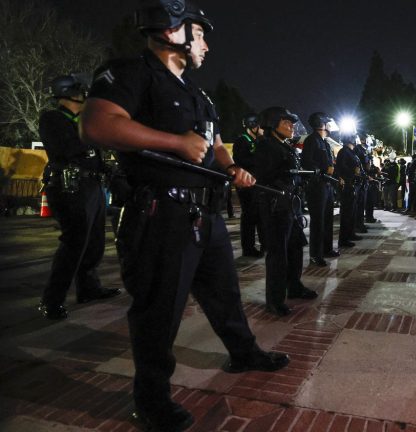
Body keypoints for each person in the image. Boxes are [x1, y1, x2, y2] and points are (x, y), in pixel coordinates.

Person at [80, 3, 289, 430]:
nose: (207, 46)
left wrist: (231, 168)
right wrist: (174, 142)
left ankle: (244, 352)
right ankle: (152, 398)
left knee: (224, 293)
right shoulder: (130, 73)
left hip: (203, 213)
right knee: (159, 309)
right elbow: (97, 125)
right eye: (201, 34)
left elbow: (212, 146)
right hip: (160, 214)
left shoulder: (197, 92)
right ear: (173, 32)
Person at [38, 74, 120, 320]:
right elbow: (67, 148)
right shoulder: (53, 119)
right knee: (74, 242)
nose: (85, 95)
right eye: (81, 91)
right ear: (69, 94)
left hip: (91, 184)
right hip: (68, 186)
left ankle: (88, 287)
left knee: (94, 241)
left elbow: (94, 152)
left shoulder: (84, 120)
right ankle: (52, 300)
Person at [253, 107, 317, 316]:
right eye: (286, 122)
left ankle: (294, 286)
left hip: (290, 203)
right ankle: (275, 299)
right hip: (275, 205)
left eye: (291, 123)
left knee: (295, 247)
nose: (291, 127)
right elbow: (264, 175)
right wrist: (287, 176)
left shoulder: (284, 146)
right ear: (273, 124)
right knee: (278, 253)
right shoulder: (266, 146)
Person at [302, 112, 339, 267]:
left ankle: (327, 248)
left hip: (327, 185)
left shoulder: (324, 142)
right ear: (321, 124)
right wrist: (323, 168)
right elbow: (306, 161)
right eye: (327, 122)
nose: (329, 125)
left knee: (328, 219)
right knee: (318, 221)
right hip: (317, 186)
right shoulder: (312, 140)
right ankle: (315, 255)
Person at [232, 112, 266, 258]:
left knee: (259, 215)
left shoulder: (257, 141)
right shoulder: (242, 141)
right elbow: (240, 160)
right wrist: (257, 159)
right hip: (246, 184)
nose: (261, 129)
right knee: (249, 216)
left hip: (256, 184)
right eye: (259, 126)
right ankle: (248, 248)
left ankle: (264, 244)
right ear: (253, 126)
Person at [336, 134, 364, 247]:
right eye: (355, 138)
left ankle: (351, 233)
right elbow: (341, 167)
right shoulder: (344, 152)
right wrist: (353, 171)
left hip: (354, 184)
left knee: (352, 212)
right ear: (351, 140)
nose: (358, 140)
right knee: (347, 213)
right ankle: (344, 239)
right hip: (347, 185)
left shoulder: (352, 153)